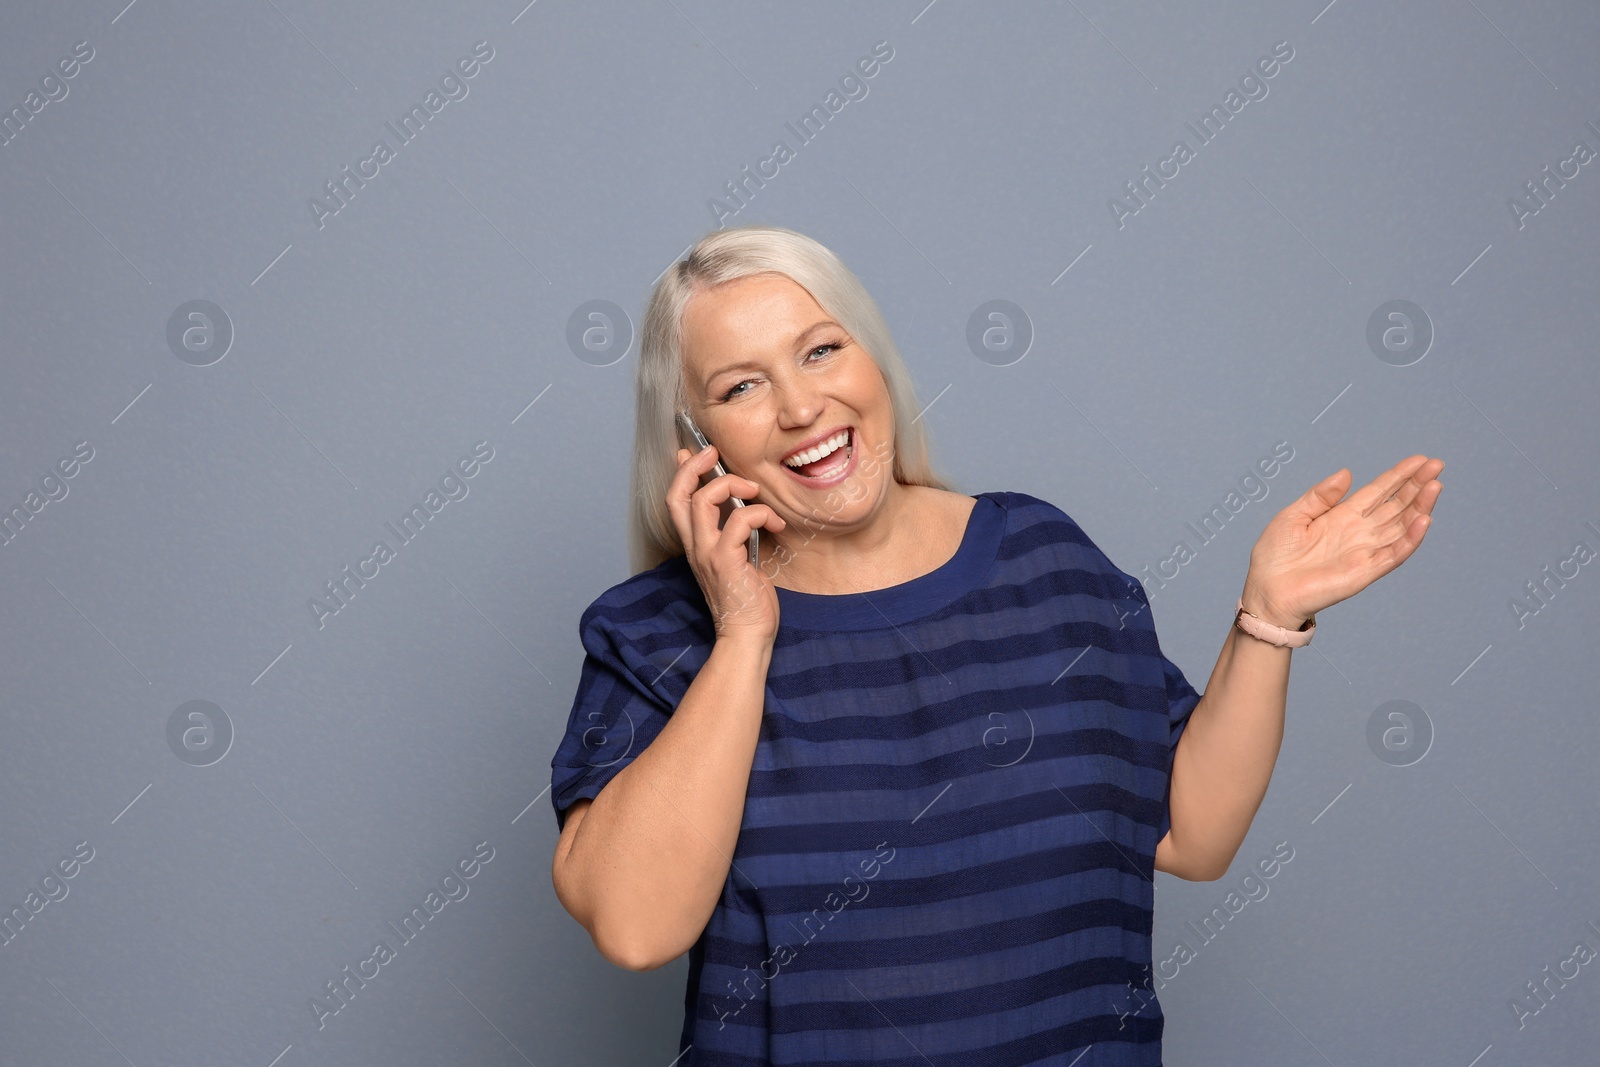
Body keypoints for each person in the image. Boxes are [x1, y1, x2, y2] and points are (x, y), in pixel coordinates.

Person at [549, 224, 1444, 1065]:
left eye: (821, 349)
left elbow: (1193, 834)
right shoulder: (659, 632)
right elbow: (636, 927)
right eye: (741, 386)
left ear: (873, 359)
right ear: (696, 446)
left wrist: (1268, 616)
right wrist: (744, 630)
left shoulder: (1042, 559)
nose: (801, 405)